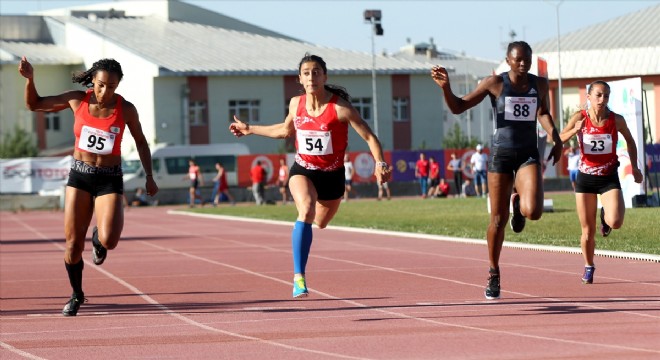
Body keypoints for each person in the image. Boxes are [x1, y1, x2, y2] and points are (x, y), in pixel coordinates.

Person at [229, 53, 390, 298]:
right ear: (300, 79)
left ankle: (307, 231)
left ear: (324, 76)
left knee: (320, 223)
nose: (311, 77)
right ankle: (298, 277)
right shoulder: (296, 104)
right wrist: (250, 129)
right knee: (305, 209)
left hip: (332, 176)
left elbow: (370, 137)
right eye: (306, 73)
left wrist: (380, 163)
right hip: (303, 170)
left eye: (316, 72)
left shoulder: (340, 108)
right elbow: (285, 130)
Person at [18, 56, 158, 316]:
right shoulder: (77, 100)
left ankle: (98, 239)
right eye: (102, 85)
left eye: (112, 87)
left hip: (109, 177)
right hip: (80, 176)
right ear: (93, 80)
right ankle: (77, 294)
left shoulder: (126, 109)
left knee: (110, 240)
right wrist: (30, 80)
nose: (106, 91)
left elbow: (141, 142)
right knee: (72, 244)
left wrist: (149, 175)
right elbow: (34, 104)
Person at [431, 41, 562, 300]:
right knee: (498, 221)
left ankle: (519, 204)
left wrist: (556, 136)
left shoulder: (540, 84)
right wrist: (446, 87)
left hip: (527, 154)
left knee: (533, 211)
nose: (524, 64)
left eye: (528, 59)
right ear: (508, 60)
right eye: (518, 60)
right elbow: (458, 107)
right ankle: (493, 271)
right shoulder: (495, 83)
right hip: (500, 156)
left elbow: (543, 112)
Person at [560, 80, 643, 284]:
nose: (602, 99)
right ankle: (589, 266)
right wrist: (574, 131)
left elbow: (630, 141)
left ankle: (605, 215)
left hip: (608, 177)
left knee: (616, 221)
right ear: (588, 97)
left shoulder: (616, 120)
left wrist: (635, 167)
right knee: (587, 231)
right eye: (598, 95)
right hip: (586, 179)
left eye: (606, 95)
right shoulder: (580, 117)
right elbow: (559, 137)